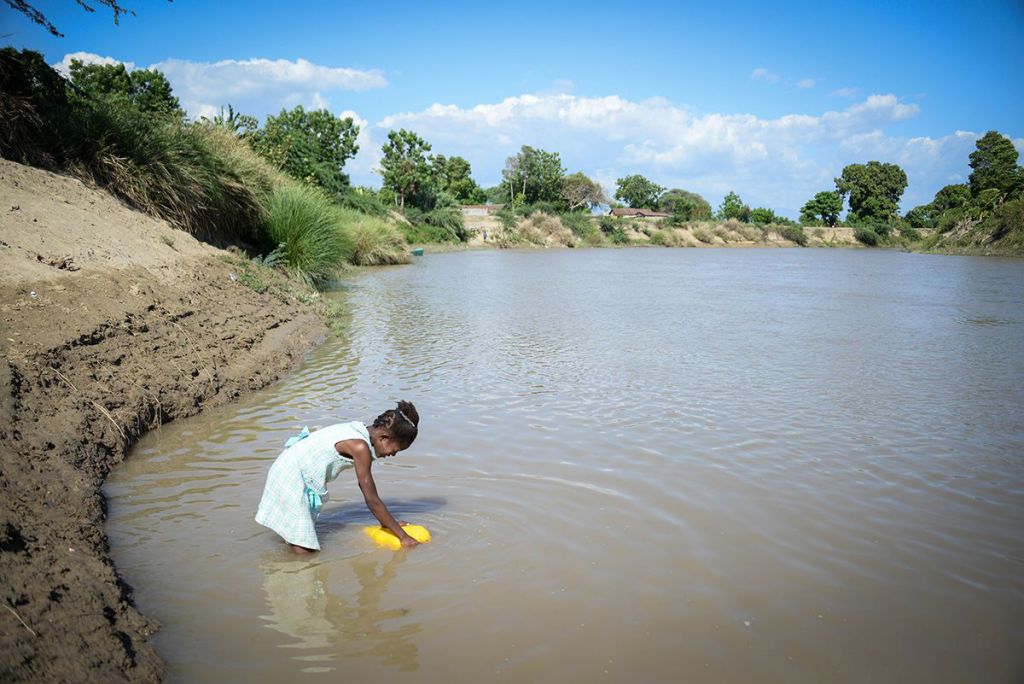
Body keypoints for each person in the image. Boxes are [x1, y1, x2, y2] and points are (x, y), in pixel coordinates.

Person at [256, 401, 421, 554]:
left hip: (289, 467)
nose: (393, 454)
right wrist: (403, 536)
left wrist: (387, 525)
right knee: (305, 551)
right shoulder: (360, 447)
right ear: (383, 438)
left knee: (298, 535)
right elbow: (372, 499)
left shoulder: (359, 430)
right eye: (395, 449)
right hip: (291, 476)